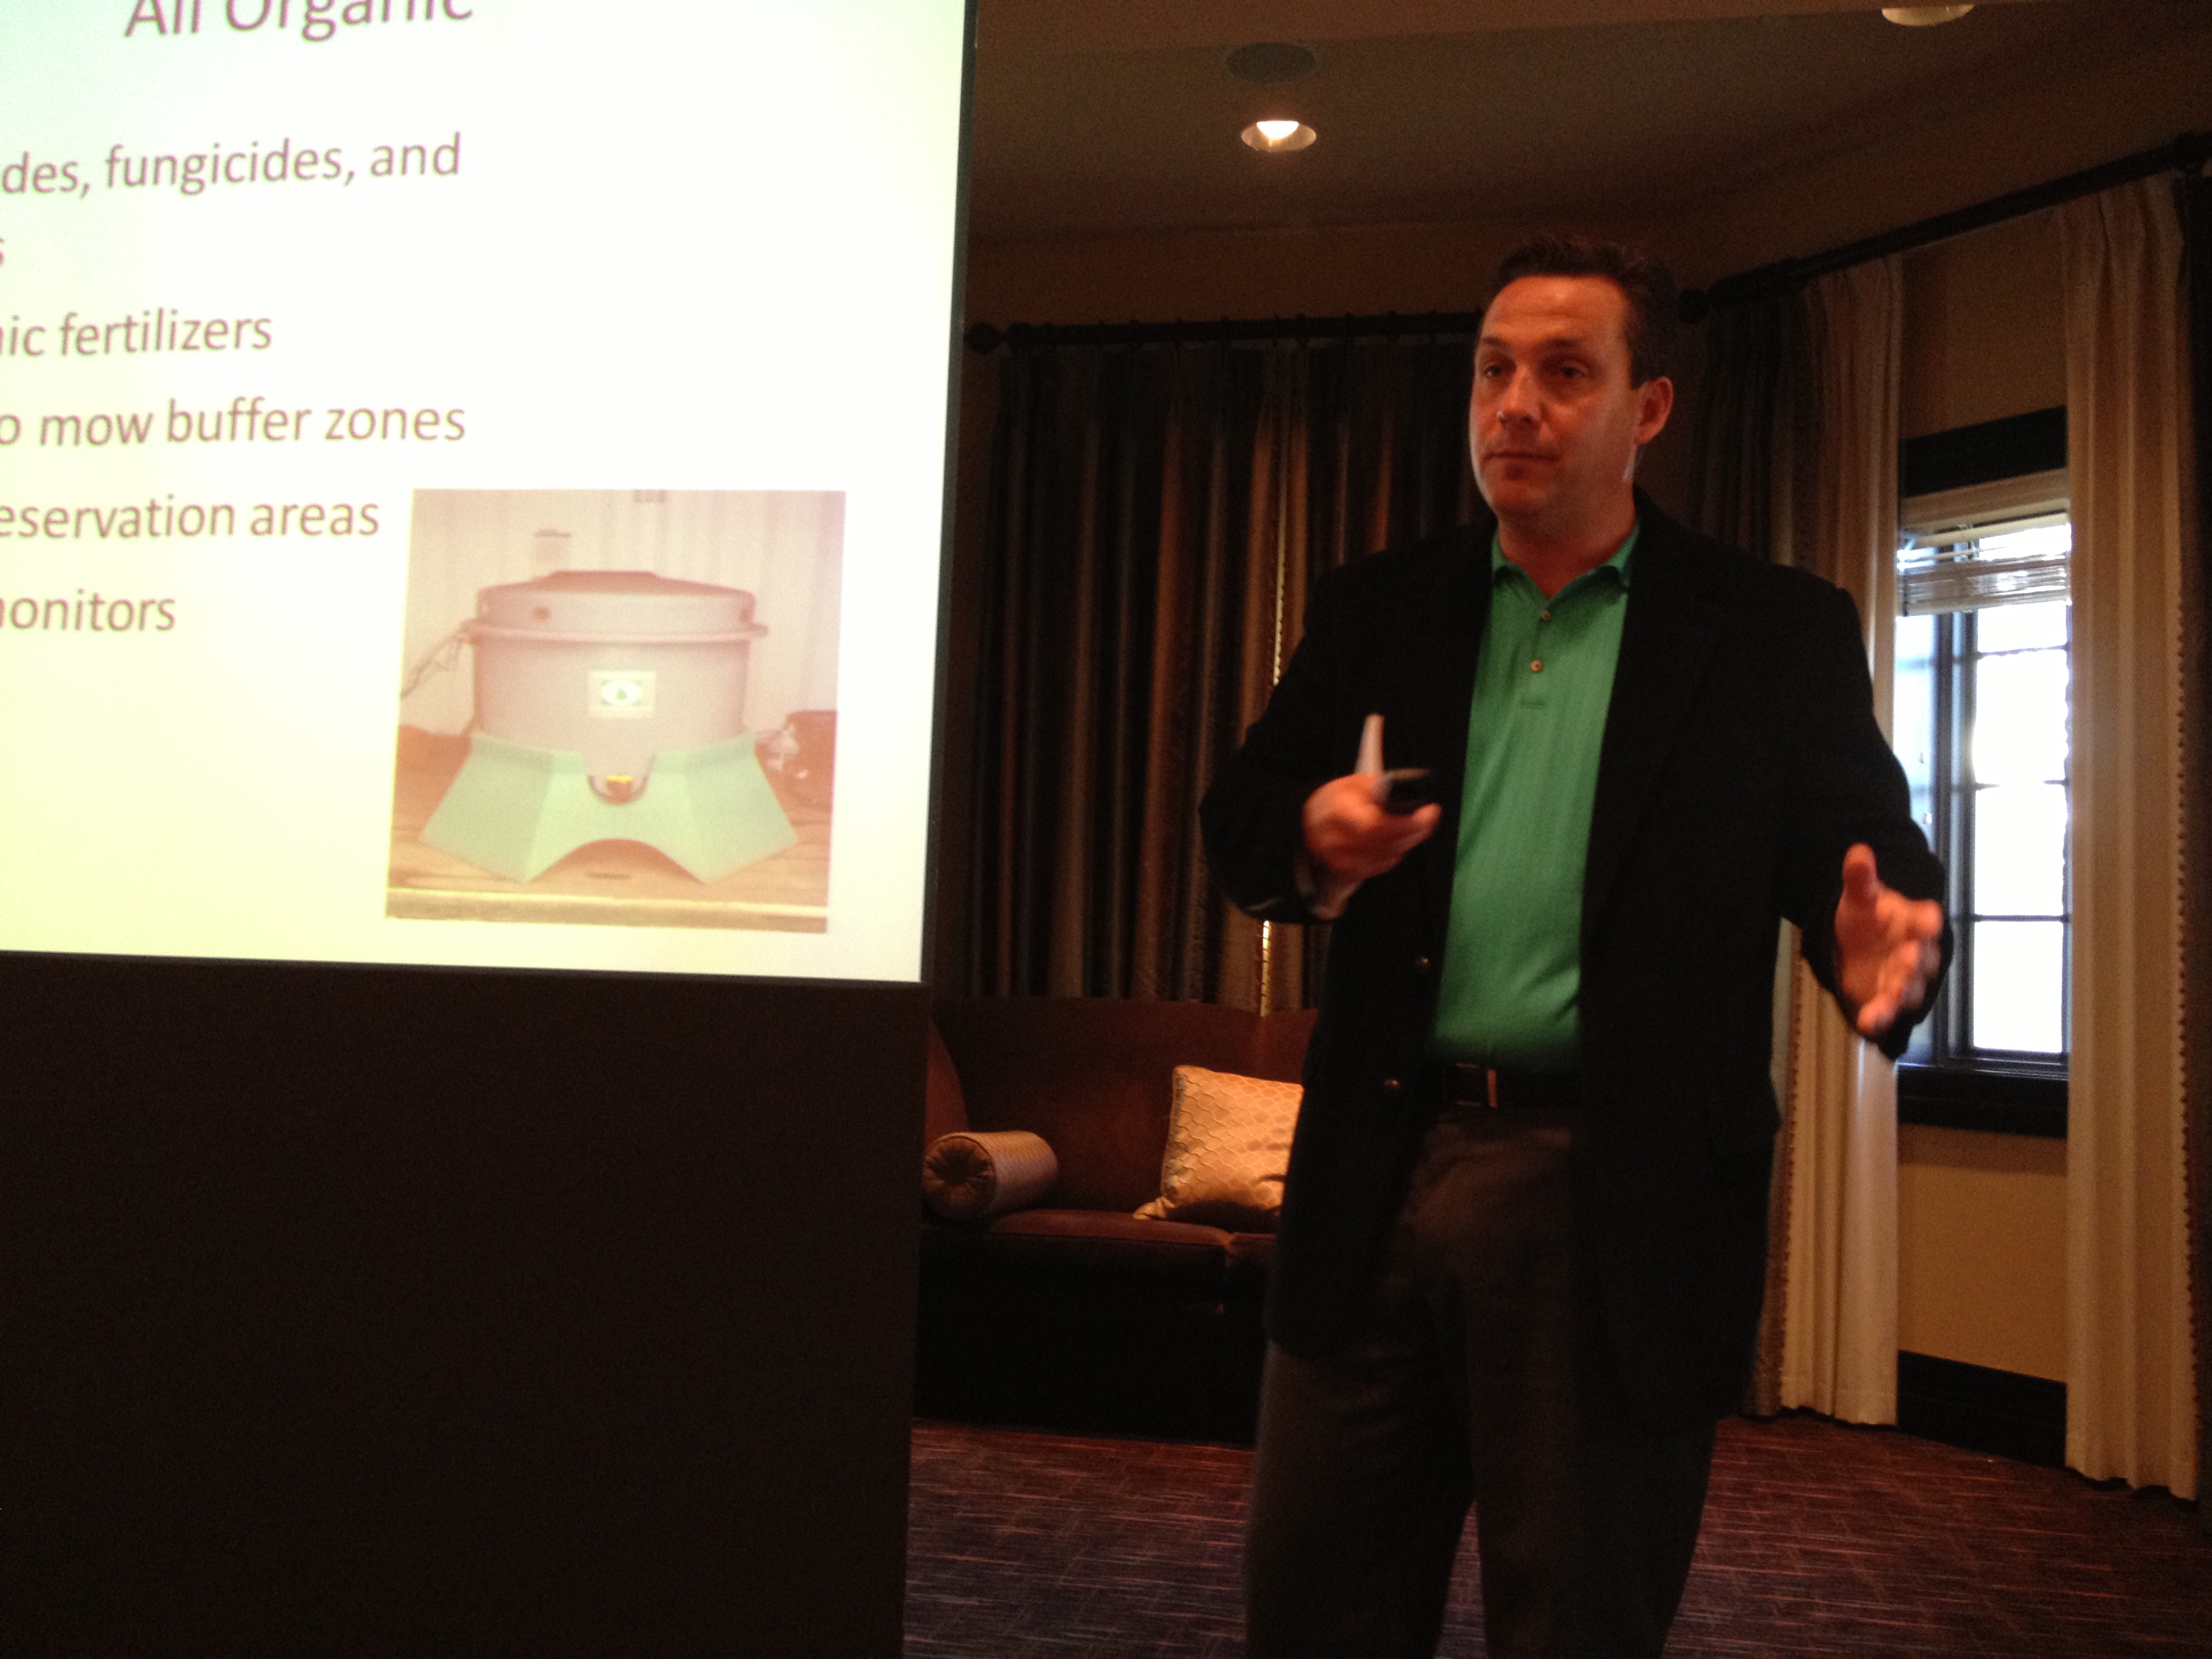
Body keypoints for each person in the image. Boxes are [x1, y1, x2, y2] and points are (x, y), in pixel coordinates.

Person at [1200, 234, 1948, 1659]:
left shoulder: (1769, 631)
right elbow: (1239, 818)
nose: (1515, 407)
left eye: (1562, 373)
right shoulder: (1379, 606)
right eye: (1493, 372)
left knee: (1578, 1624)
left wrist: (1879, 956)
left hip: (1615, 1197)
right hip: (1377, 1168)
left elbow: (1865, 862)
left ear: (1647, 407)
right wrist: (1310, 832)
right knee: (1313, 1610)